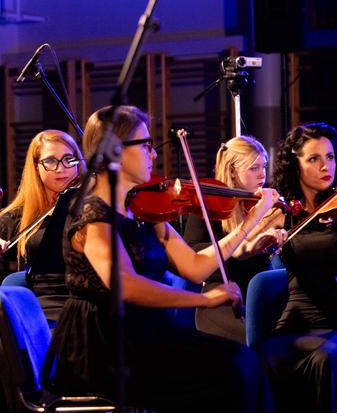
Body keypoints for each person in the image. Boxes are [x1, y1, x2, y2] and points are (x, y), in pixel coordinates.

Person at [46, 106, 277, 412]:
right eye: (145, 145)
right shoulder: (92, 215)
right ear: (114, 151)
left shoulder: (141, 209)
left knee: (243, 362)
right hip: (106, 346)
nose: (153, 155)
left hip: (147, 334)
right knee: (232, 371)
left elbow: (195, 267)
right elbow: (125, 284)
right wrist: (204, 301)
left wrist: (251, 220)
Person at [259, 122, 337, 413]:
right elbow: (246, 245)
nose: (326, 165)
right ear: (295, 165)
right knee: (257, 360)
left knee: (328, 358)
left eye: (331, 157)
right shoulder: (283, 213)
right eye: (314, 159)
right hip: (295, 326)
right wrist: (261, 239)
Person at [183, 135, 286, 342]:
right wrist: (241, 248)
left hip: (259, 295)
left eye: (264, 166)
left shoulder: (267, 206)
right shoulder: (207, 205)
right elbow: (192, 252)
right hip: (221, 298)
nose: (262, 175)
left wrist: (281, 240)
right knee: (261, 341)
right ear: (232, 170)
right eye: (253, 168)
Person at [0, 129, 85, 323]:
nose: (61, 168)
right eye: (50, 161)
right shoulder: (22, 215)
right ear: (36, 166)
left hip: (88, 297)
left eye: (68, 159)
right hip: (45, 305)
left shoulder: (93, 202)